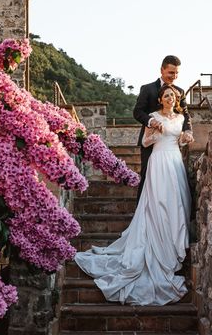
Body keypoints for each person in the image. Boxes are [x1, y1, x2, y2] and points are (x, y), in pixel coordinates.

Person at [74, 84, 192, 305]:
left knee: (177, 205)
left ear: (176, 99)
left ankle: (171, 246)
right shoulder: (153, 117)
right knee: (158, 205)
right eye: (166, 95)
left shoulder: (179, 118)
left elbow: (181, 140)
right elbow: (146, 142)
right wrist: (154, 131)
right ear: (160, 99)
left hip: (175, 163)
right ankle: (157, 249)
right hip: (158, 162)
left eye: (172, 96)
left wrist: (186, 137)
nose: (169, 98)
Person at [132, 55, 192, 201]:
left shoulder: (180, 91)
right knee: (147, 177)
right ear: (162, 70)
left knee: (173, 180)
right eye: (171, 72)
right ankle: (144, 214)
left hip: (171, 143)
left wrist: (188, 130)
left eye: (177, 73)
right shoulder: (147, 89)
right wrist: (151, 121)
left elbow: (185, 114)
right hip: (151, 141)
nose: (174, 76)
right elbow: (137, 112)